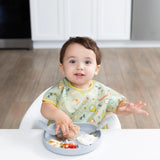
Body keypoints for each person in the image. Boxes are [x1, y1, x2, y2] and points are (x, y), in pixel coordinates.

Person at [41, 36, 149, 137]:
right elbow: (45, 107)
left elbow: (118, 107)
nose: (80, 67)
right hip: (61, 138)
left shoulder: (102, 92)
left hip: (93, 139)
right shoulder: (59, 89)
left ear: (96, 69)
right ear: (62, 68)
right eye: (72, 61)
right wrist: (58, 115)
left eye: (87, 62)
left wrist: (126, 108)